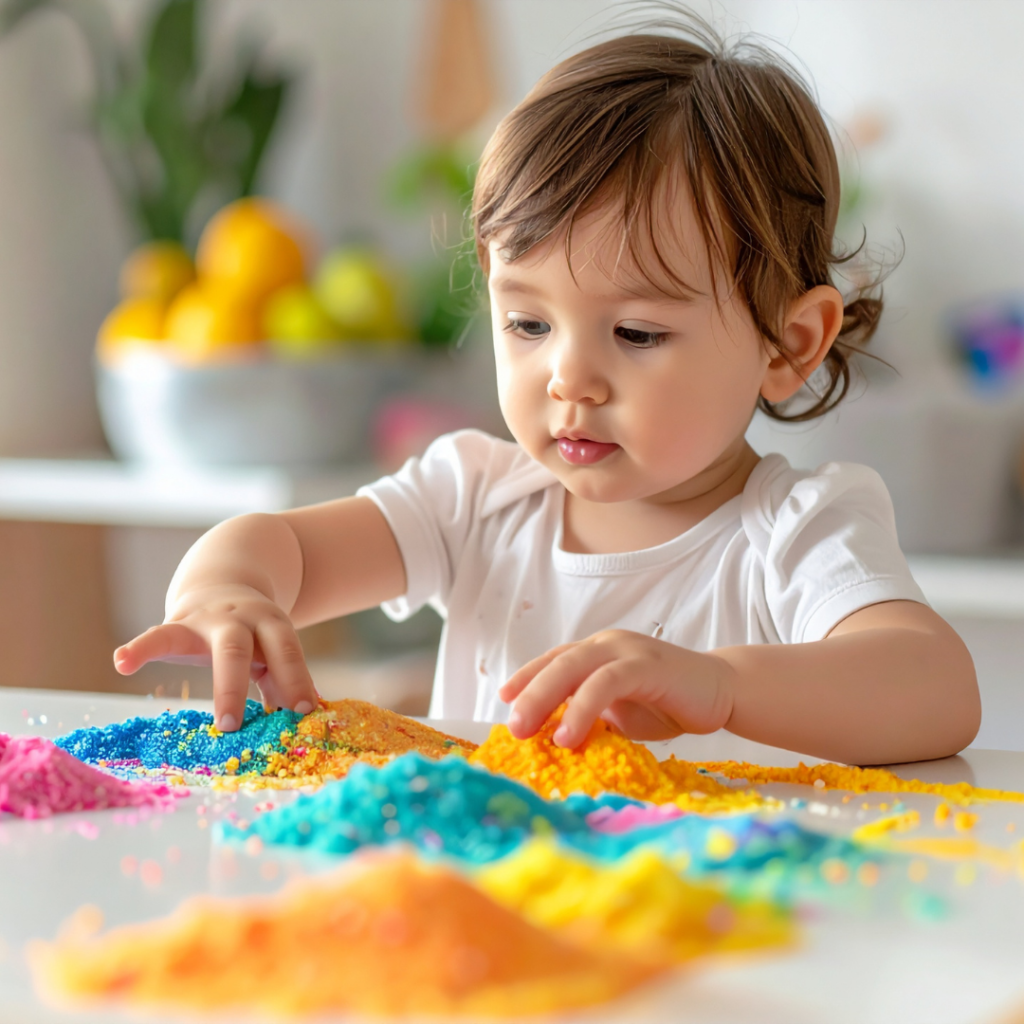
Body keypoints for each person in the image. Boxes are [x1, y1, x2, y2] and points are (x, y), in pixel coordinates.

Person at [114, 19, 980, 766]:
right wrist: (227, 591)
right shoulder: (473, 500)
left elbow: (935, 687)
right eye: (528, 325)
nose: (569, 378)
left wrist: (717, 686)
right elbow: (281, 551)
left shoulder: (794, 534)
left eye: (637, 333)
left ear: (788, 346)